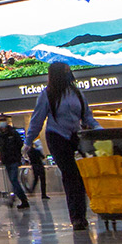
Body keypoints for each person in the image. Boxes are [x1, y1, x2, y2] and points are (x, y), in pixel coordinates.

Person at [27, 61, 98, 231]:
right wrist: (28, 141)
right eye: (65, 71)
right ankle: (77, 217)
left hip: (76, 136)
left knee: (82, 175)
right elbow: (37, 120)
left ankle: (82, 214)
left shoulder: (77, 93)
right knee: (71, 175)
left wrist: (99, 129)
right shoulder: (47, 95)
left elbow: (87, 117)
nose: (69, 74)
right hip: (56, 137)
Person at [0, 116, 29, 208]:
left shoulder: (13, 133)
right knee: (12, 180)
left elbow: (20, 145)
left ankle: (23, 199)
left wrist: (19, 156)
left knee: (14, 180)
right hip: (6, 161)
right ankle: (14, 198)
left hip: (14, 160)